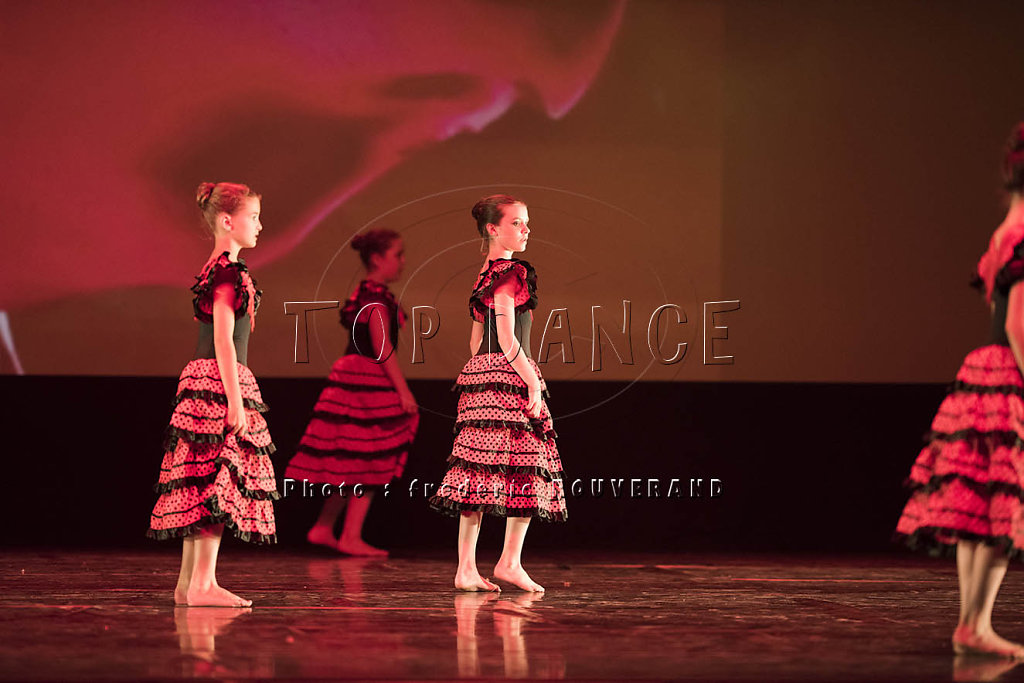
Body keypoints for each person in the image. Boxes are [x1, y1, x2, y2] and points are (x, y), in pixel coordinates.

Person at [896, 123, 1024, 657]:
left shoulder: (1004, 229)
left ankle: (972, 624)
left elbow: (995, 304)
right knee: (1003, 505)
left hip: (984, 367)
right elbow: (1017, 321)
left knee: (980, 504)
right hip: (1010, 372)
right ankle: (975, 623)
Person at [147, 182, 278, 607]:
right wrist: (235, 401)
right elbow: (223, 338)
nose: (259, 225)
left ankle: (190, 583)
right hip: (220, 382)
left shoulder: (218, 268)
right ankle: (201, 583)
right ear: (227, 221)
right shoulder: (227, 272)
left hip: (208, 380)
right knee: (217, 479)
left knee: (204, 477)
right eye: (253, 217)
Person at [429, 194, 567, 592]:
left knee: (478, 469)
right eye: (517, 223)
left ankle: (468, 569)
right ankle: (508, 562)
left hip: (482, 375)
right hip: (508, 376)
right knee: (527, 463)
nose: (526, 230)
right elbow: (506, 338)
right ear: (493, 228)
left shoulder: (484, 274)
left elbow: (477, 341)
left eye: (526, 222)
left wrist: (482, 376)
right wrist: (530, 380)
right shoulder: (511, 273)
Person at [285, 229, 419, 556]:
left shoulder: (370, 295)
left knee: (352, 458)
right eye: (397, 254)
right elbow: (382, 348)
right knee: (368, 456)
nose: (403, 261)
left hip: (358, 375)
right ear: (377, 259)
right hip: (364, 378)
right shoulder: (374, 299)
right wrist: (403, 391)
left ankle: (324, 527)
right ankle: (349, 535)